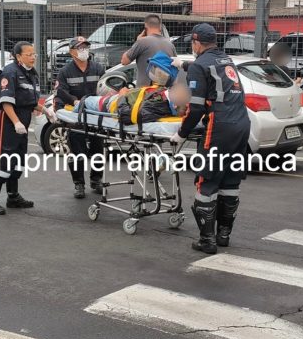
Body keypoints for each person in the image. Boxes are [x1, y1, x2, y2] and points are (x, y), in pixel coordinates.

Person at [170, 23, 250, 254]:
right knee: (230, 181)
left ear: (196, 43)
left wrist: (181, 134)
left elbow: (195, 109)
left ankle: (207, 241)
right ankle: (223, 235)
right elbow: (207, 69)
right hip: (242, 125)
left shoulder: (200, 65)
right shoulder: (226, 60)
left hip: (219, 127)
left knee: (206, 182)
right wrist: (184, 64)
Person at [0, 41, 56, 215]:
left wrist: (45, 110)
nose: (33, 57)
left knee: (18, 160)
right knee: (4, 159)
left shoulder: (31, 73)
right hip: (7, 121)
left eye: (34, 54)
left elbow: (28, 101)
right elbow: (6, 102)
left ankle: (13, 196)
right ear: (18, 56)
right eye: (29, 54)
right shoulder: (10, 72)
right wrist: (16, 122)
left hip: (21, 121)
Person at [55, 36, 106, 198]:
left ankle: (96, 180)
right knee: (78, 152)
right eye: (80, 48)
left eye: (85, 47)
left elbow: (105, 90)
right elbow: (61, 92)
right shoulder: (65, 72)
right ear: (72, 52)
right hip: (75, 116)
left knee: (98, 149)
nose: (84, 51)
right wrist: (74, 102)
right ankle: (79, 184)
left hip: (95, 116)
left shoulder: (98, 68)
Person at [77, 52, 190, 123]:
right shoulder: (162, 95)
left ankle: (70, 109)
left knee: (84, 102)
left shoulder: (158, 105)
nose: (178, 87)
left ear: (175, 104)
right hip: (119, 100)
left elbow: (126, 115)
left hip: (111, 104)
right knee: (84, 101)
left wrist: (122, 96)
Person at [121, 14, 176, 87]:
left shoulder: (142, 42)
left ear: (145, 28)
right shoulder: (170, 45)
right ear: (160, 27)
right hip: (164, 93)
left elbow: (124, 61)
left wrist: (136, 42)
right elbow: (175, 66)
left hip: (145, 93)